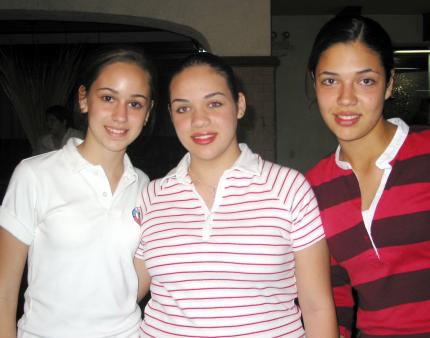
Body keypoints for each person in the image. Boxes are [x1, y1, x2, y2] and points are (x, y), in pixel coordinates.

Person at [133, 52, 338, 337]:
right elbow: (123, 293)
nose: (199, 120)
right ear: (170, 115)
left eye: (214, 103)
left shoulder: (289, 188)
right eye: (183, 109)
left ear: (239, 105)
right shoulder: (151, 196)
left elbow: (317, 306)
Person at [0, 45, 155, 338]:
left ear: (147, 113)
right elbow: (4, 292)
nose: (120, 115)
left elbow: (131, 284)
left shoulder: (145, 185)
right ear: (84, 99)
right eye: (108, 98)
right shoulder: (35, 174)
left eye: (135, 104)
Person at [305, 15, 430, 338]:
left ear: (389, 84)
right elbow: (335, 294)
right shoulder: (315, 187)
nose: (346, 99)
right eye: (330, 81)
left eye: (365, 81)